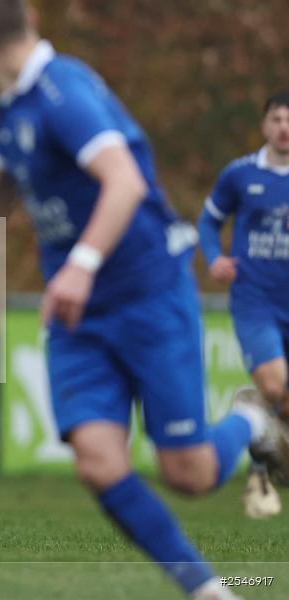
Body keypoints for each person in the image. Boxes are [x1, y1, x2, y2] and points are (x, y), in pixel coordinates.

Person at [0, 1, 289, 598]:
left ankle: (252, 419)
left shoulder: (63, 90)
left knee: (189, 474)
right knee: (99, 464)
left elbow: (126, 182)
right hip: (80, 318)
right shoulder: (13, 111)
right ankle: (209, 591)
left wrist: (81, 265)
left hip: (148, 297)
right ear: (30, 15)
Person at [197, 91, 289, 519]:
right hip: (256, 300)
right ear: (264, 125)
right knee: (275, 385)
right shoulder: (240, 175)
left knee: (282, 400)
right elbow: (209, 220)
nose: (284, 128)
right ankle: (263, 467)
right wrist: (215, 256)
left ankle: (264, 460)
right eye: (276, 119)